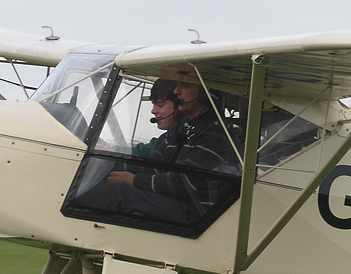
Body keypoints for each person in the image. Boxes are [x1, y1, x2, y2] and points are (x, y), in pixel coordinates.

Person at [72, 80, 240, 225]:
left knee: (118, 192)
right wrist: (107, 162)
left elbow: (184, 183)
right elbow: (155, 164)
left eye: (186, 85)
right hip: (178, 202)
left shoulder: (215, 133)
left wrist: (134, 181)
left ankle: (63, 206)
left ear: (205, 92)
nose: (177, 91)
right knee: (108, 181)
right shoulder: (184, 127)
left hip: (195, 213)